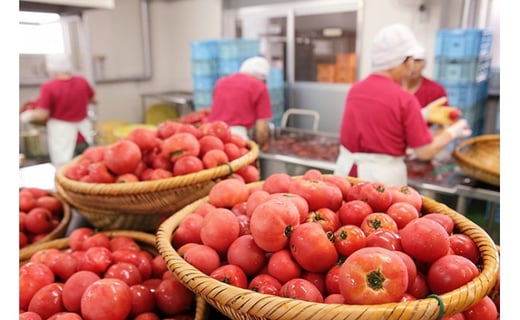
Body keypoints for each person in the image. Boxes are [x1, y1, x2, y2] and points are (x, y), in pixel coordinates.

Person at [333, 23, 471, 186]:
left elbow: (379, 121)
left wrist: (421, 115)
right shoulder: (403, 98)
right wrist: (452, 132)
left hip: (346, 175)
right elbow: (424, 152)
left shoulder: (356, 89)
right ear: (404, 61)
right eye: (412, 60)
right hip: (380, 183)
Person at [20, 54, 97, 168]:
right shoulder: (82, 81)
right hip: (82, 135)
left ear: (50, 67)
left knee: (65, 169)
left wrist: (26, 116)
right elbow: (95, 100)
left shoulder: (49, 87)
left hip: (62, 137)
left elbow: (42, 115)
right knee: (85, 166)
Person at [206, 56, 272, 150]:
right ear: (263, 78)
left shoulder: (221, 82)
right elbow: (261, 128)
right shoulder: (260, 87)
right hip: (236, 137)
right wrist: (263, 147)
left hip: (210, 135)